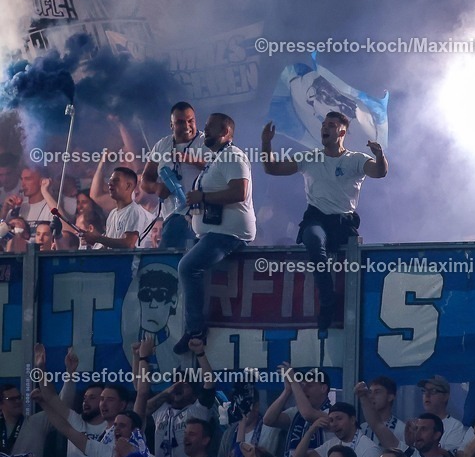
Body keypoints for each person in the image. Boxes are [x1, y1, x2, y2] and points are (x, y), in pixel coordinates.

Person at [262, 112, 387, 330]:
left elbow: (379, 172)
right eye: (323, 124)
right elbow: (271, 168)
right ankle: (327, 300)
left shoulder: (355, 159)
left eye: (331, 125)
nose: (324, 128)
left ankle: (357, 314)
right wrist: (265, 143)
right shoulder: (310, 158)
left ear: (342, 131)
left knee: (354, 264)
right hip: (316, 217)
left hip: (343, 221)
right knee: (312, 240)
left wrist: (379, 156)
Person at [173, 113, 256, 354]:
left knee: (188, 267)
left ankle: (196, 330)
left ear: (225, 132)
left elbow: (239, 192)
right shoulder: (215, 159)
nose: (205, 132)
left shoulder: (233, 156)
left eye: (210, 128)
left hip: (228, 233)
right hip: (213, 231)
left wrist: (203, 197)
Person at [142, 102, 203, 248]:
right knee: (168, 263)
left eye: (190, 121)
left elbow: (217, 167)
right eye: (180, 122)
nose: (187, 126)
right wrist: (156, 187)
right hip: (172, 216)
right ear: (172, 125)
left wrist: (190, 160)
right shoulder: (162, 145)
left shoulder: (205, 142)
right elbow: (145, 180)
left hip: (201, 216)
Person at [264, 365, 333, 457]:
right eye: (303, 385)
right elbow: (268, 420)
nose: (304, 389)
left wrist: (294, 382)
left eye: (309, 385)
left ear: (323, 388)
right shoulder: (296, 413)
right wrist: (287, 390)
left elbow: (308, 414)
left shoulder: (332, 413)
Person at [290, 402, 381, 457]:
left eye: (339, 418)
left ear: (353, 420)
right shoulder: (331, 444)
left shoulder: (368, 449)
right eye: (331, 420)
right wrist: (311, 431)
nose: (334, 424)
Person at [79, 167, 151, 249]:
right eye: (110, 180)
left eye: (116, 180)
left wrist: (98, 238)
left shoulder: (134, 211)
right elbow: (108, 245)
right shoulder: (112, 214)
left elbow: (129, 244)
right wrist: (91, 241)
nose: (110, 183)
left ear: (128, 186)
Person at [414, 376, 467, 453]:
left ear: (445, 396)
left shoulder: (455, 426)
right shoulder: (415, 424)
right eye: (424, 391)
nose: (427, 395)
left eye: (433, 391)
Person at [359, 377, 406, 449]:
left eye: (377, 392)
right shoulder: (362, 428)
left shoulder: (401, 429)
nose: (371, 396)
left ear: (390, 397)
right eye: (370, 392)